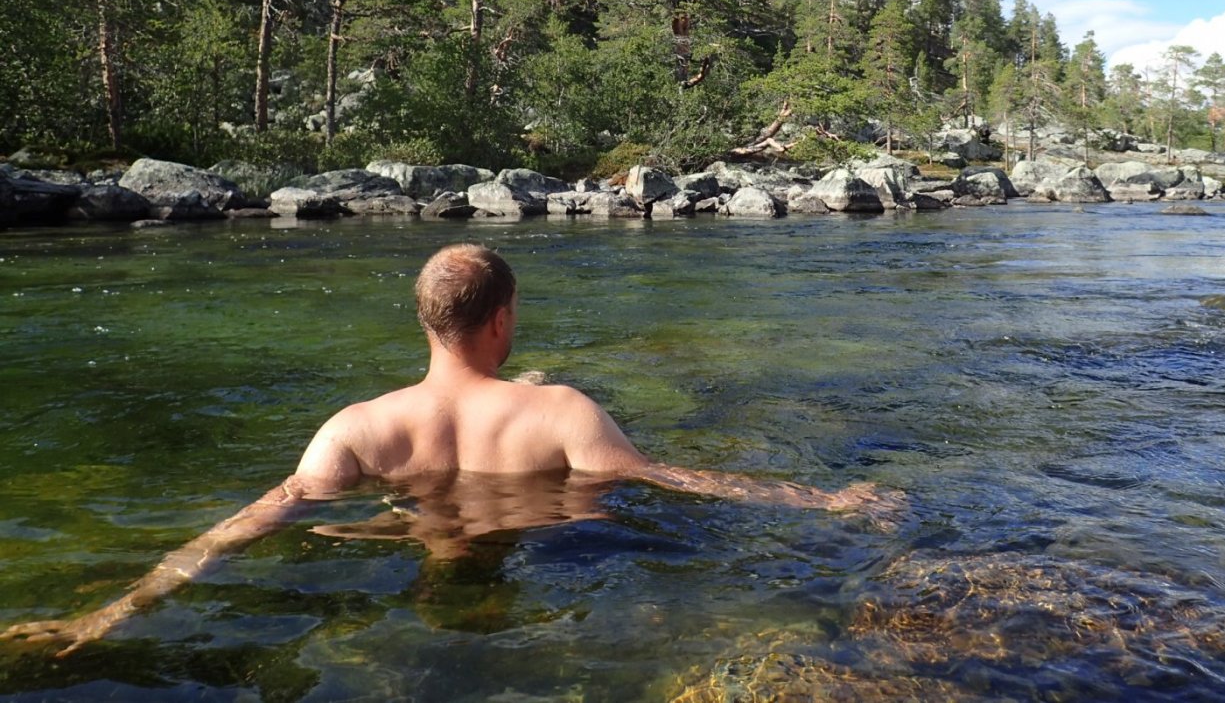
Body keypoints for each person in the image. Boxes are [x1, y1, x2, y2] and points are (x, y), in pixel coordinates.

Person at [2, 243, 895, 656]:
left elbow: (250, 522)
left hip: (399, 529)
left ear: (425, 322)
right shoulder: (560, 410)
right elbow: (674, 480)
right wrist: (829, 500)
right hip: (550, 550)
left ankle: (445, 572)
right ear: (501, 319)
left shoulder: (355, 427)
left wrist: (114, 610)